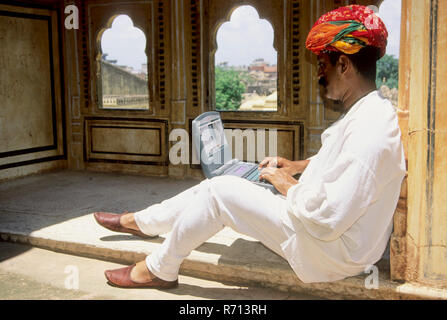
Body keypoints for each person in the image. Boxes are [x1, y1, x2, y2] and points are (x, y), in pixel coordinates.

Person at [93, 5, 406, 288]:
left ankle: (159, 268)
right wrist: (297, 168)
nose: (319, 73)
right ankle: (143, 222)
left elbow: (327, 218)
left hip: (331, 251)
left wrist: (287, 186)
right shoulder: (369, 112)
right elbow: (340, 163)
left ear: (344, 65)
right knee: (217, 187)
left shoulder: (370, 132)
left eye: (323, 64)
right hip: (330, 236)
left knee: (219, 193)